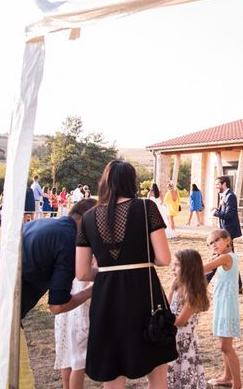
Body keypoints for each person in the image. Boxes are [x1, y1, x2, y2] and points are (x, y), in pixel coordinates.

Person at [0, 199, 96, 388]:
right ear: (90, 223)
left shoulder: (42, 224)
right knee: (19, 384)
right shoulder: (69, 240)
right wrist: (91, 291)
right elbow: (58, 305)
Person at [76, 160, 177, 386]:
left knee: (112, 370)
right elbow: (164, 258)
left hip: (106, 298)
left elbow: (81, 272)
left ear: (105, 182)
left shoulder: (88, 218)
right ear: (130, 181)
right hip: (143, 293)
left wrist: (109, 272)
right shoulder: (146, 208)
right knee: (157, 370)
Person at [204, 229, 242, 389]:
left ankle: (237, 384)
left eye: (216, 240)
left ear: (228, 240)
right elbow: (207, 272)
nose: (213, 245)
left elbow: (202, 268)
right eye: (210, 243)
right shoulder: (222, 257)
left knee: (226, 347)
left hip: (226, 307)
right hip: (222, 305)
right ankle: (227, 377)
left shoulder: (227, 257)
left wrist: (183, 265)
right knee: (224, 346)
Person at [167, 248, 209, 389]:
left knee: (183, 372)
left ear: (189, 268)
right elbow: (167, 307)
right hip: (172, 338)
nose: (173, 268)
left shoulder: (193, 294)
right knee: (171, 372)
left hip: (184, 343)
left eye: (177, 265)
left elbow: (180, 321)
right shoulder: (176, 286)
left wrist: (164, 319)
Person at [54, 277, 92, 389]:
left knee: (67, 357)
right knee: (78, 361)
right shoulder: (89, 259)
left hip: (64, 308)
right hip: (80, 309)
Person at [212, 176, 243, 294]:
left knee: (217, 255)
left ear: (224, 184)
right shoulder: (224, 196)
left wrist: (215, 212)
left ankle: (204, 282)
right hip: (224, 232)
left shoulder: (231, 196)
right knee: (229, 257)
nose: (216, 187)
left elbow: (229, 214)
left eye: (217, 184)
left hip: (228, 233)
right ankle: (239, 286)